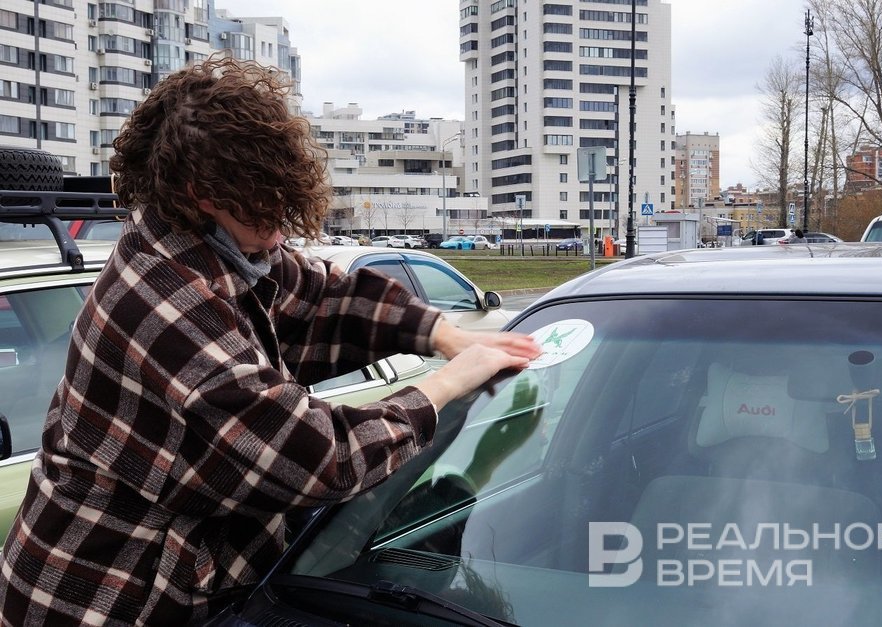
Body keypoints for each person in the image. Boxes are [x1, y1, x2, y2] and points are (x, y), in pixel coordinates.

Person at [0, 57, 540, 625]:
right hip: (97, 600)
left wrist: (444, 334)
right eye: (266, 205)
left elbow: (326, 297)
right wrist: (446, 386)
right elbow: (318, 458)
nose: (281, 227)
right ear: (202, 192)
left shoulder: (218, 246)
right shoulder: (163, 306)